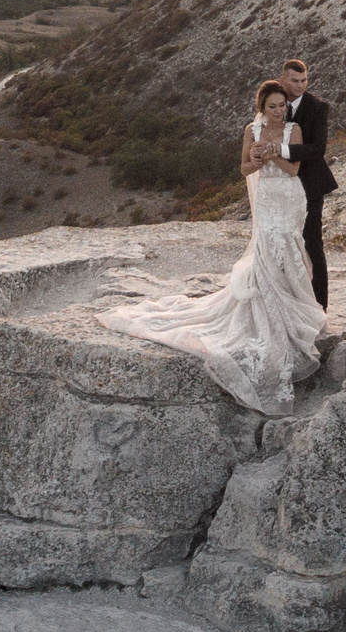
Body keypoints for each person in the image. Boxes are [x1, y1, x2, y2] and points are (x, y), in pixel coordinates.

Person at [98, 80, 327, 415]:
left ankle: (295, 304)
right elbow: (244, 169)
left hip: (290, 199)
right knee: (266, 250)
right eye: (273, 106)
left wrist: (274, 152)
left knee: (290, 249)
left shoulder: (293, 130)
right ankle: (269, 309)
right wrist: (256, 156)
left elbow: (294, 169)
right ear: (262, 108)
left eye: (283, 105)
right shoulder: (252, 128)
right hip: (266, 201)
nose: (280, 111)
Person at [277, 58, 337, 307]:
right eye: (294, 81)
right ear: (283, 80)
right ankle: (287, 302)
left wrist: (281, 151)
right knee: (281, 243)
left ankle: (320, 306)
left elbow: (318, 148)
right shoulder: (274, 102)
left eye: (304, 80)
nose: (300, 85)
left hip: (310, 185)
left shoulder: (318, 107)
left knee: (312, 242)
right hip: (279, 185)